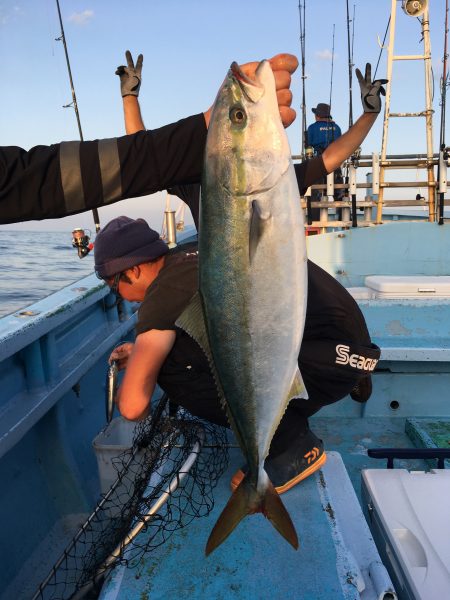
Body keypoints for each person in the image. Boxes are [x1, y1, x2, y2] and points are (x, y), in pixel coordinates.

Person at [95, 214, 380, 495]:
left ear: (132, 271)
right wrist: (141, 354)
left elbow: (133, 407)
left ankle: (290, 444)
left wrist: (139, 376)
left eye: (115, 288)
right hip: (350, 353)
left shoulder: (166, 287)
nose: (121, 298)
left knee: (172, 368)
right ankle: (337, 386)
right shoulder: (191, 256)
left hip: (328, 364)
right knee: (197, 343)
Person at [0, 54, 298, 225]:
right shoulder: (190, 180)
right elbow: (133, 161)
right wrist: (214, 126)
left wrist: (213, 125)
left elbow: (58, 176)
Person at [306, 102, 343, 220]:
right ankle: (344, 219)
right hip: (335, 164)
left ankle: (315, 223)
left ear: (317, 115)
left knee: (316, 195)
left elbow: (308, 145)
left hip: (319, 163)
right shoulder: (337, 128)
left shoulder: (312, 128)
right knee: (340, 195)